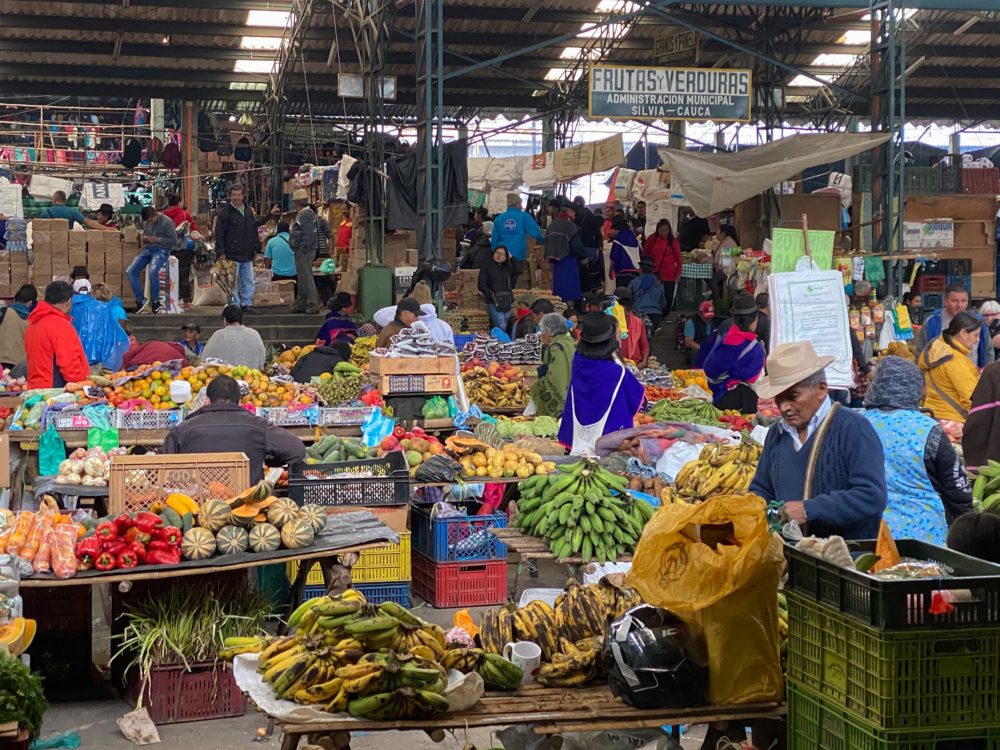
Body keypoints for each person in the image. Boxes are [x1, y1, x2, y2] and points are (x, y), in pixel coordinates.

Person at [749, 341, 887, 539]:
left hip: (843, 559)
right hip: (789, 556)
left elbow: (871, 496)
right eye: (779, 399)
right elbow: (762, 488)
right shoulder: (776, 434)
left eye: (793, 396)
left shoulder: (853, 428)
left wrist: (808, 510)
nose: (785, 407)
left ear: (822, 389)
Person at [861, 356, 972, 545]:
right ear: (912, 388)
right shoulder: (927, 429)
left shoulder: (859, 424)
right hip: (924, 538)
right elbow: (956, 489)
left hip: (869, 534)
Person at [161, 375, 305, 483]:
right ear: (239, 401)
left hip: (198, 508)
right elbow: (297, 450)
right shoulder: (258, 427)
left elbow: (163, 471)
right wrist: (267, 458)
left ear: (208, 400)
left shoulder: (182, 430)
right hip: (248, 505)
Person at [558, 313, 644, 455]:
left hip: (577, 428)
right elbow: (635, 398)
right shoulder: (617, 372)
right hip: (608, 437)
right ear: (610, 342)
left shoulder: (578, 362)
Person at [697, 292, 766, 412]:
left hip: (718, 398)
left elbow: (709, 368)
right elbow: (756, 382)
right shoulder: (754, 348)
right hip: (738, 402)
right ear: (755, 318)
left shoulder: (727, 338)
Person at [24, 280, 91, 389]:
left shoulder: (33, 324)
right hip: (55, 391)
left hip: (36, 389)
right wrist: (80, 387)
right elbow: (70, 364)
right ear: (69, 302)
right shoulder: (60, 325)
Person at [919, 311, 981, 422]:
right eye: (975, 335)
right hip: (954, 419)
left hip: (934, 416)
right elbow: (972, 397)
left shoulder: (939, 349)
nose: (978, 340)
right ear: (963, 333)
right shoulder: (956, 361)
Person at [917, 284, 992, 367]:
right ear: (945, 301)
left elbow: (988, 352)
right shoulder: (932, 323)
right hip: (940, 376)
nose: (959, 305)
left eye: (964, 301)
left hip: (972, 376)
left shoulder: (978, 322)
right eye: (954, 301)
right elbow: (920, 353)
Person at [214, 184, 261, 314]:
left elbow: (254, 230)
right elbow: (219, 233)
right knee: (232, 282)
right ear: (230, 196)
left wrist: (256, 248)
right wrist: (221, 252)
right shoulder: (224, 213)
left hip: (247, 252)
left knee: (248, 280)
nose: (236, 197)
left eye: (239, 195)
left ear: (243, 195)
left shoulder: (248, 211)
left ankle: (247, 304)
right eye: (234, 195)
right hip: (231, 253)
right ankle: (234, 306)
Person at [128, 205, 177, 314]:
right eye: (147, 222)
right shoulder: (146, 222)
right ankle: (141, 300)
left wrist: (156, 239)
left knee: (152, 272)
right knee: (131, 271)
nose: (149, 223)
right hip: (149, 249)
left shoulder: (167, 223)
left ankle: (155, 302)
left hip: (162, 250)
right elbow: (146, 236)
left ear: (155, 215)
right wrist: (144, 240)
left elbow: (174, 242)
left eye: (151, 221)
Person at [492, 193, 544, 287]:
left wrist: (495, 254)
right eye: (521, 204)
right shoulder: (524, 217)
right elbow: (536, 233)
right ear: (517, 204)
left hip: (501, 256)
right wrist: (544, 242)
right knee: (514, 281)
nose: (522, 206)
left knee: (502, 281)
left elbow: (494, 240)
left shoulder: (499, 219)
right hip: (517, 256)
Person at [531, 313, 576, 418]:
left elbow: (556, 379)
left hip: (563, 405)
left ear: (549, 332)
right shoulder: (569, 342)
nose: (541, 335)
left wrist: (536, 389)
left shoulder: (556, 347)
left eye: (542, 331)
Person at [288, 188, 323, 314]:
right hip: (303, 250)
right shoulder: (304, 214)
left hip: (305, 251)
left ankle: (313, 303)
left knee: (306, 277)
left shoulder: (306, 215)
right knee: (302, 277)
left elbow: (308, 234)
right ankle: (301, 303)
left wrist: (302, 249)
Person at [200, 305, 266, 370]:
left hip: (224, 379)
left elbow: (205, 359)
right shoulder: (254, 334)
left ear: (225, 320)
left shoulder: (218, 335)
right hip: (253, 378)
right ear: (241, 319)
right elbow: (262, 360)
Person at [545, 199, 583, 305]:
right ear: (570, 212)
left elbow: (547, 241)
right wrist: (584, 257)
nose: (575, 215)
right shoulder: (569, 224)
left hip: (556, 261)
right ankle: (569, 309)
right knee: (570, 287)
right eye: (574, 212)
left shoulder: (553, 223)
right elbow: (576, 244)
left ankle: (559, 307)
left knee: (559, 286)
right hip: (568, 259)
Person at [642, 219, 681, 317]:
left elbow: (678, 258)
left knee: (668, 296)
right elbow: (645, 253)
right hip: (654, 272)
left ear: (669, 230)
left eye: (666, 230)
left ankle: (665, 315)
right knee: (654, 295)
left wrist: (678, 272)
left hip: (669, 273)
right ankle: (654, 313)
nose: (663, 233)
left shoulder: (673, 241)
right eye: (661, 230)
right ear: (657, 229)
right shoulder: (652, 239)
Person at [572, 197, 606, 295]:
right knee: (591, 271)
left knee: (580, 272)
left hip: (578, 248)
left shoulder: (574, 217)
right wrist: (597, 247)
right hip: (590, 248)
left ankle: (581, 291)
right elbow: (598, 235)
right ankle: (591, 292)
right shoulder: (591, 216)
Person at [478, 245, 516, 332]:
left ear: (505, 257)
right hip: (494, 302)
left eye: (502, 254)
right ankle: (502, 343)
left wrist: (512, 258)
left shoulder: (507, 268)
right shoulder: (486, 266)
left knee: (506, 324)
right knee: (501, 325)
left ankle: (501, 342)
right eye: (497, 253)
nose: (499, 255)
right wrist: (491, 295)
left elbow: (518, 270)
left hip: (507, 301)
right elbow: (481, 284)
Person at [0, 285, 35, 369]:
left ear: (15, 299)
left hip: (1, 361)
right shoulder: (32, 319)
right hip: (19, 364)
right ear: (30, 302)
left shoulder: (3, 312)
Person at [628, 258, 666, 336]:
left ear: (641, 270)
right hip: (655, 315)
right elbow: (663, 303)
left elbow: (628, 298)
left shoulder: (634, 282)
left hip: (638, 314)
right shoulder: (658, 284)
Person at [38, 191, 113, 230]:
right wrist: (106, 228)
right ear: (65, 200)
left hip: (49, 244)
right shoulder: (72, 211)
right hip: (66, 242)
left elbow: (38, 227)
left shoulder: (46, 211)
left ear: (54, 199)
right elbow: (88, 222)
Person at [615, 288, 649, 368]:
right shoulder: (611, 322)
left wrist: (644, 361)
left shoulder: (637, 322)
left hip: (636, 364)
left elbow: (644, 344)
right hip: (617, 365)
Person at [609, 215, 641, 288]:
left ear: (617, 229)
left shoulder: (618, 238)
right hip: (636, 272)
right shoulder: (633, 237)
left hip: (622, 272)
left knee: (621, 295)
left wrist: (611, 271)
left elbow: (614, 257)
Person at [709, 224, 739, 302]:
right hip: (724, 268)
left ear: (723, 233)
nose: (716, 233)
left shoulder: (728, 243)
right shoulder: (724, 241)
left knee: (713, 280)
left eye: (718, 231)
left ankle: (717, 301)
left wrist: (717, 265)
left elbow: (726, 262)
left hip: (728, 270)